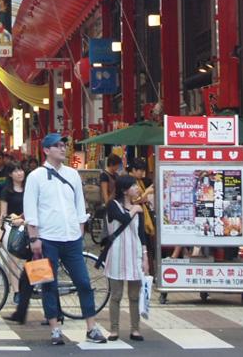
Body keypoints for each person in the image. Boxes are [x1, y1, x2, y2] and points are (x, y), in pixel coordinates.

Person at [24, 132, 109, 345]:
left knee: (83, 282)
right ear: (46, 150)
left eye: (64, 145)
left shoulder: (72, 174)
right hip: (46, 239)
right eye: (57, 146)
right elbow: (30, 209)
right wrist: (34, 238)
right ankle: (55, 328)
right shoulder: (35, 176)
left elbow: (80, 204)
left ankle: (91, 327)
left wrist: (80, 229)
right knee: (48, 284)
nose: (63, 149)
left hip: (72, 238)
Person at [103, 174, 149, 342]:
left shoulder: (138, 209)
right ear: (124, 189)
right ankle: (114, 329)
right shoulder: (113, 205)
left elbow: (141, 235)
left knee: (134, 295)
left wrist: (145, 257)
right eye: (134, 186)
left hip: (134, 254)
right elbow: (123, 218)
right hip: (117, 254)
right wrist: (135, 209)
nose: (137, 188)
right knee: (116, 295)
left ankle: (135, 329)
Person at [1, 163, 34, 325]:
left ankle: (23, 307)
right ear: (10, 175)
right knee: (13, 262)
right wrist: (0, 230)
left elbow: (34, 210)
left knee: (33, 267)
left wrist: (24, 220)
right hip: (13, 228)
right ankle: (17, 292)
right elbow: (3, 213)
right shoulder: (7, 191)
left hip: (30, 229)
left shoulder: (30, 188)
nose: (19, 173)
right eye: (15, 170)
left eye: (21, 169)